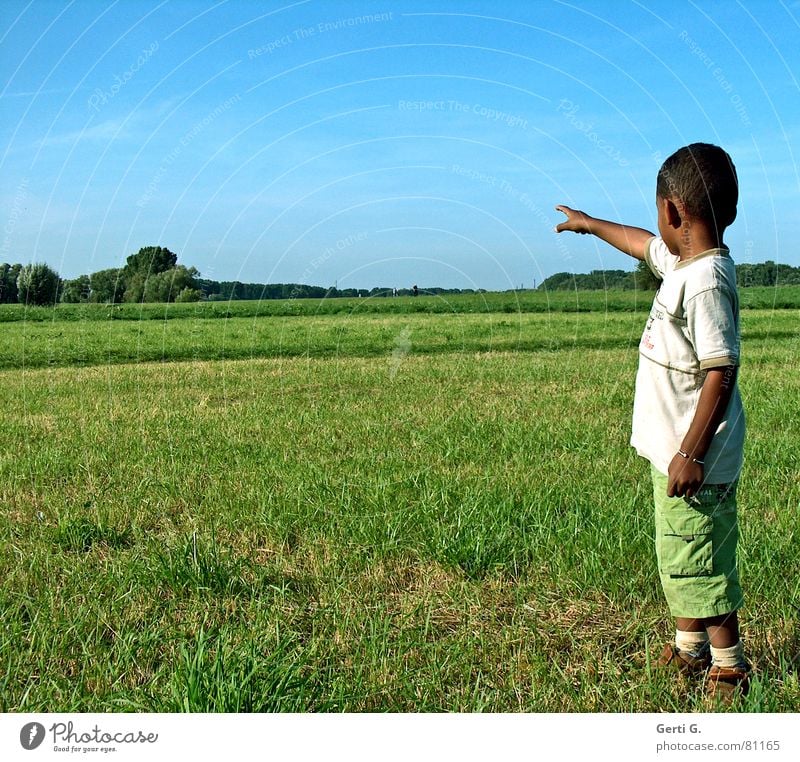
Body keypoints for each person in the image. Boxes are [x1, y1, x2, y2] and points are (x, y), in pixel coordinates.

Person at [555, 143, 749, 701]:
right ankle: (691, 651)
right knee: (680, 552)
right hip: (677, 456)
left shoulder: (707, 282)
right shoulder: (687, 263)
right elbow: (641, 244)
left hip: (696, 460)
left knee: (700, 556)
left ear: (673, 212)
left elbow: (721, 371)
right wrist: (591, 226)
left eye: (657, 214)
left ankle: (729, 665)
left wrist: (690, 453)